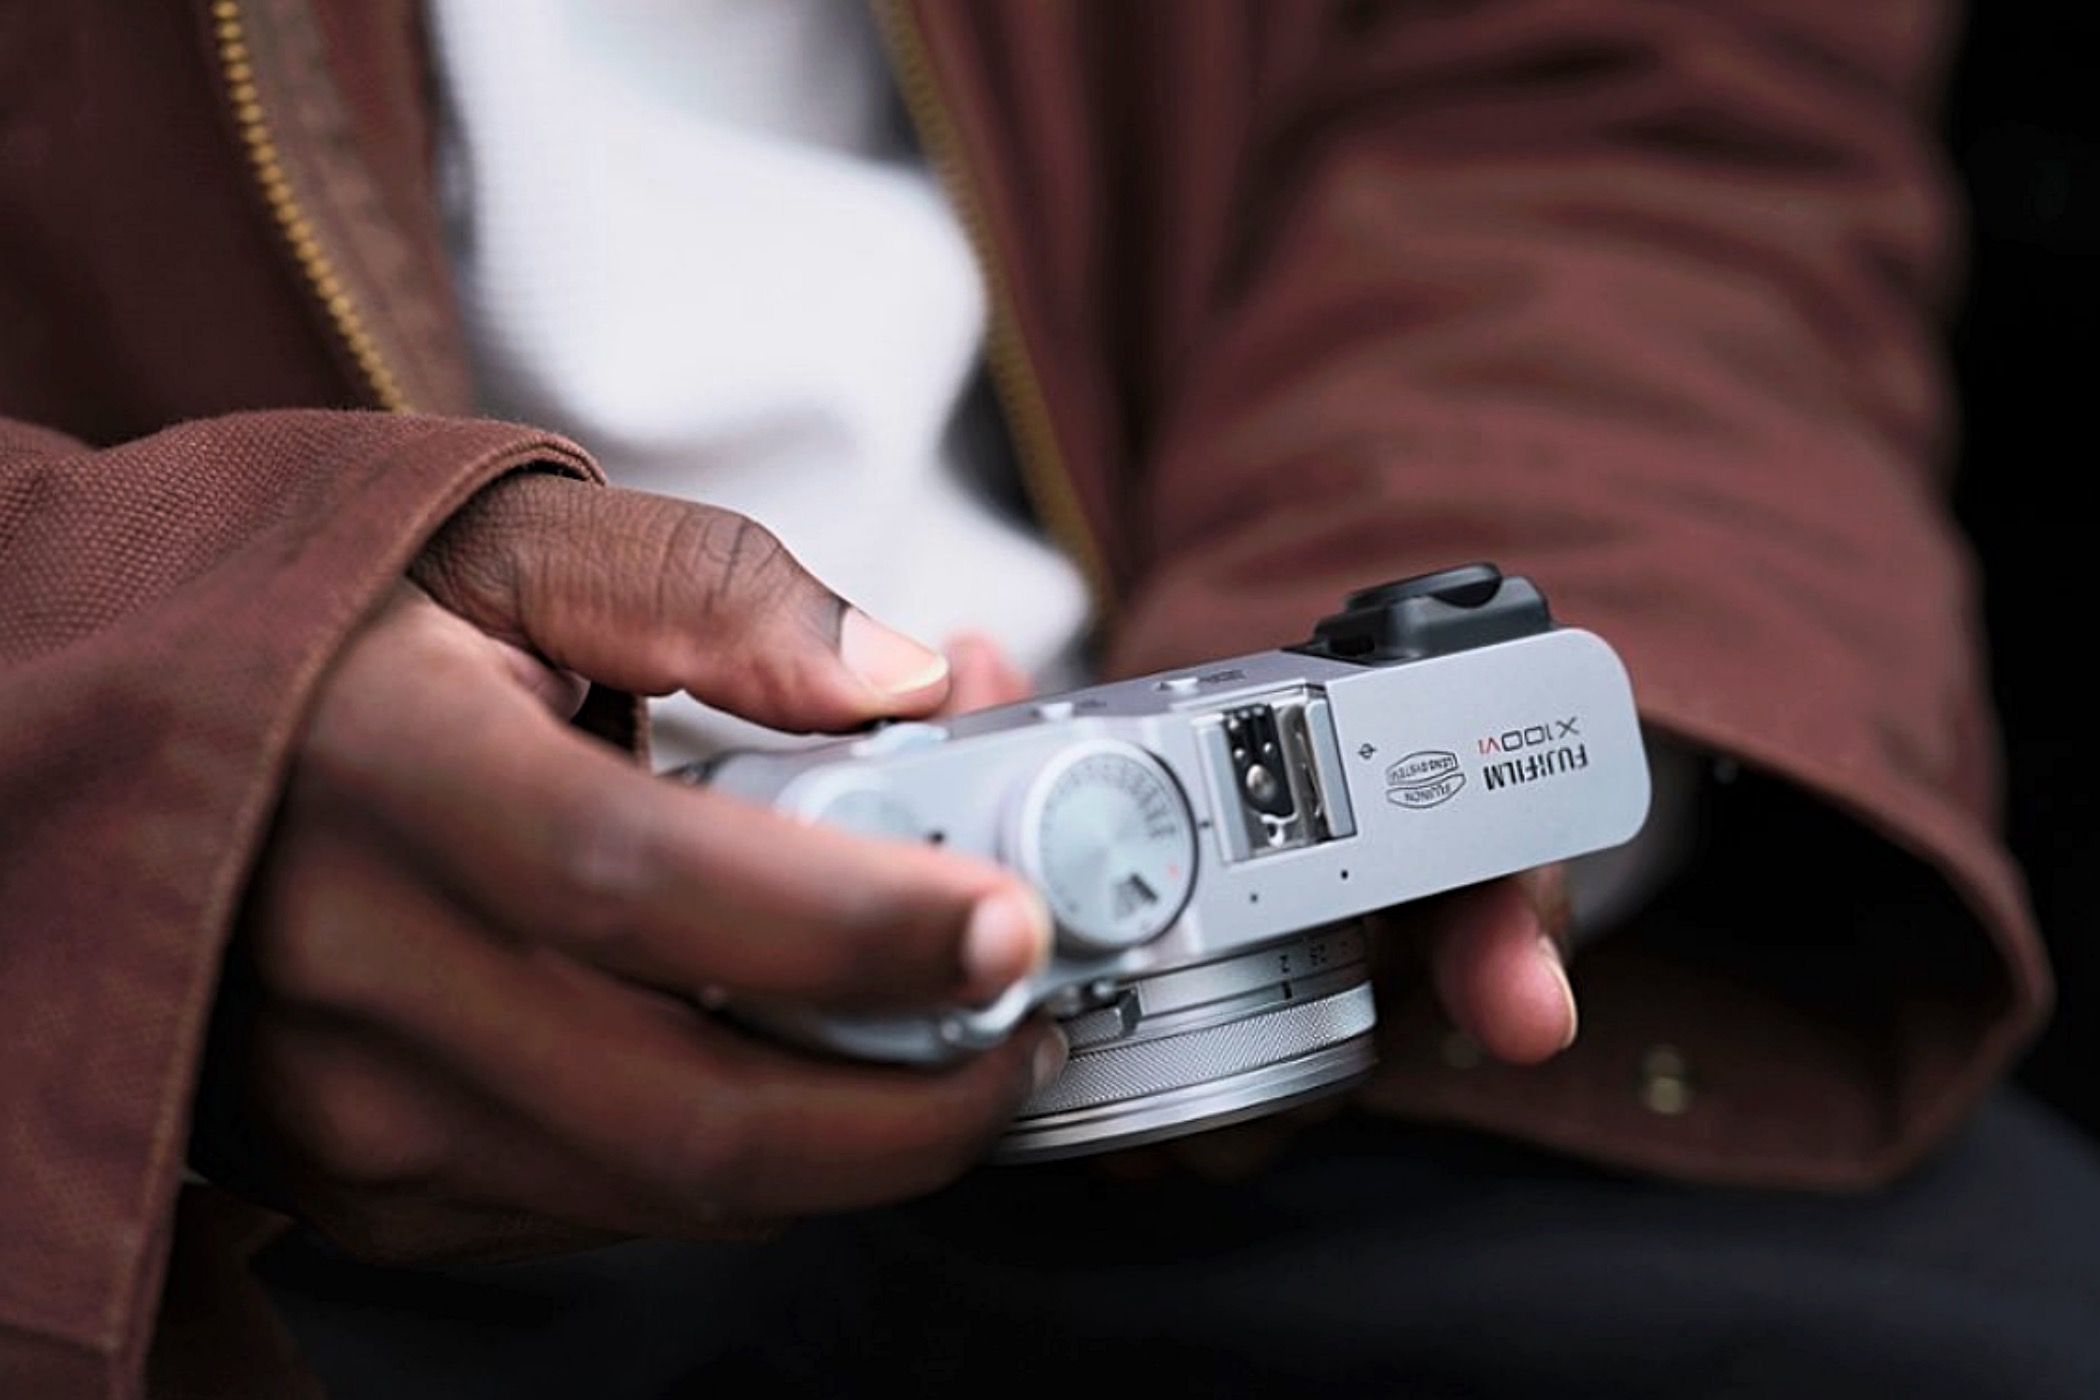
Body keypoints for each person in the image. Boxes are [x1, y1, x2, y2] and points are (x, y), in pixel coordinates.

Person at [1, 2, 2094, 1396]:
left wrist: (1416, 618)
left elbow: (1636, 85)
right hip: (189, 1195)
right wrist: (148, 762)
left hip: (1317, 1064)